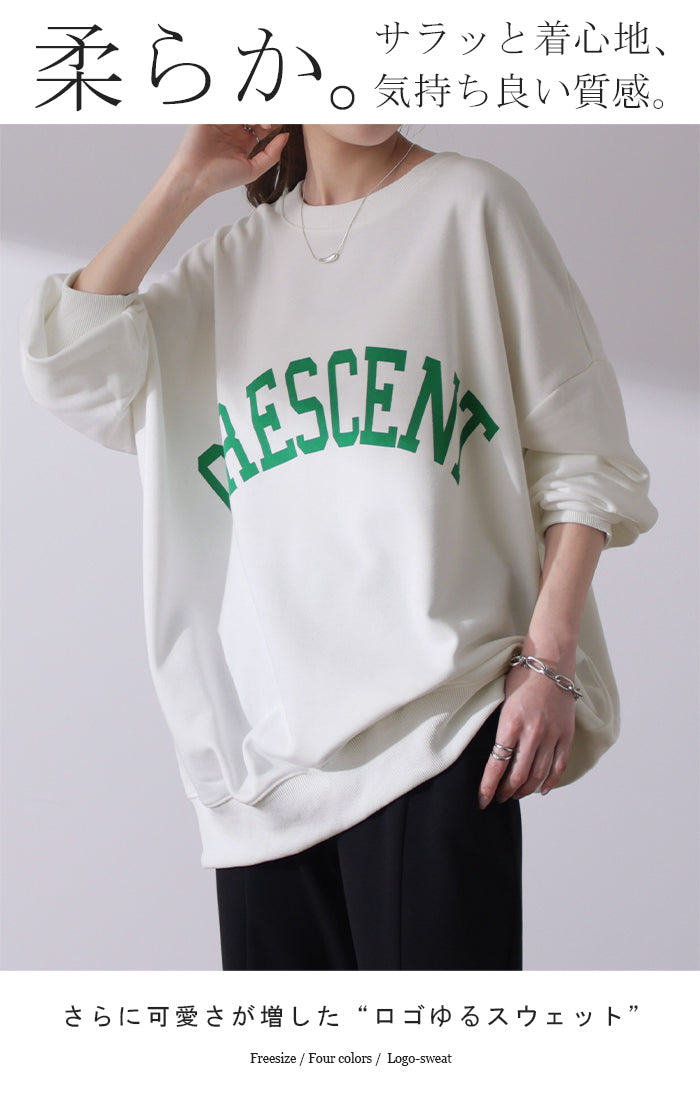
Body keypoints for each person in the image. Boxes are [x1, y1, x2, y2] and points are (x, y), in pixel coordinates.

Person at [21, 124, 657, 971]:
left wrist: (550, 660)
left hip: (441, 727)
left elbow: (584, 458)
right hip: (265, 771)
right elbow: (69, 366)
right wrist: (182, 183)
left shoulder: (473, 208)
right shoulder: (228, 270)